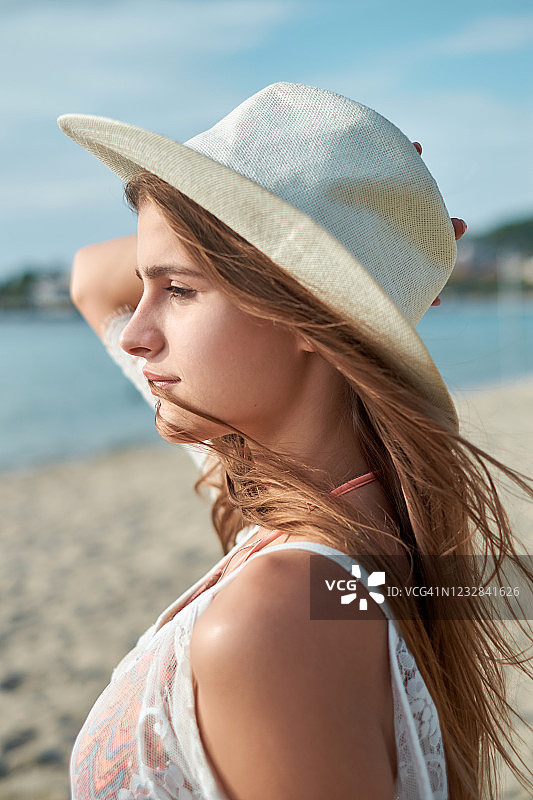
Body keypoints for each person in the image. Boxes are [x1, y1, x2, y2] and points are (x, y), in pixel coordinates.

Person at [58, 82, 533, 800]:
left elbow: (94, 282)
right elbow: (91, 279)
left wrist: (339, 246)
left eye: (178, 291)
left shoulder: (280, 608)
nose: (135, 331)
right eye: (146, 286)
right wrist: (365, 237)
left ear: (309, 315)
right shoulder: (340, 507)